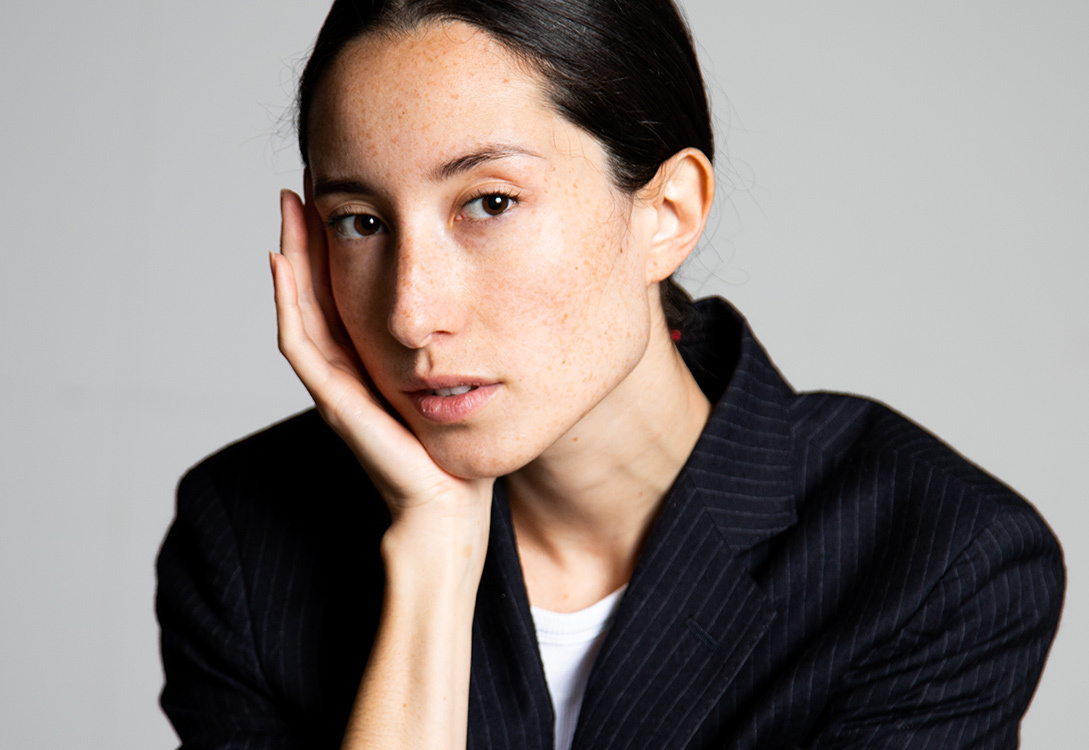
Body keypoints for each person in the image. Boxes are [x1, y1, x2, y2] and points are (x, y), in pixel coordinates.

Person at [156, 1, 1064, 748]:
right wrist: (433, 559)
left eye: (489, 202)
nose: (409, 314)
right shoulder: (244, 541)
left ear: (666, 212)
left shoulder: (932, 559)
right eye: (359, 221)